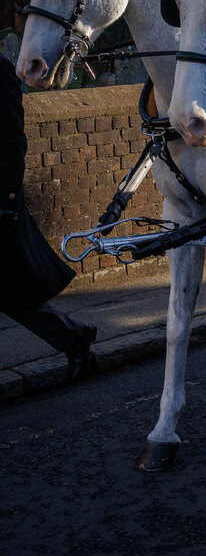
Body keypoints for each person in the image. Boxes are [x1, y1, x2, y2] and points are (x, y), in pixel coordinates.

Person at [1, 51, 96, 381]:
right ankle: (74, 336)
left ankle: (73, 336)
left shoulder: (1, 69)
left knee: (13, 290)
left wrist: (8, 199)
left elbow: (13, 140)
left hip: (0, 201)